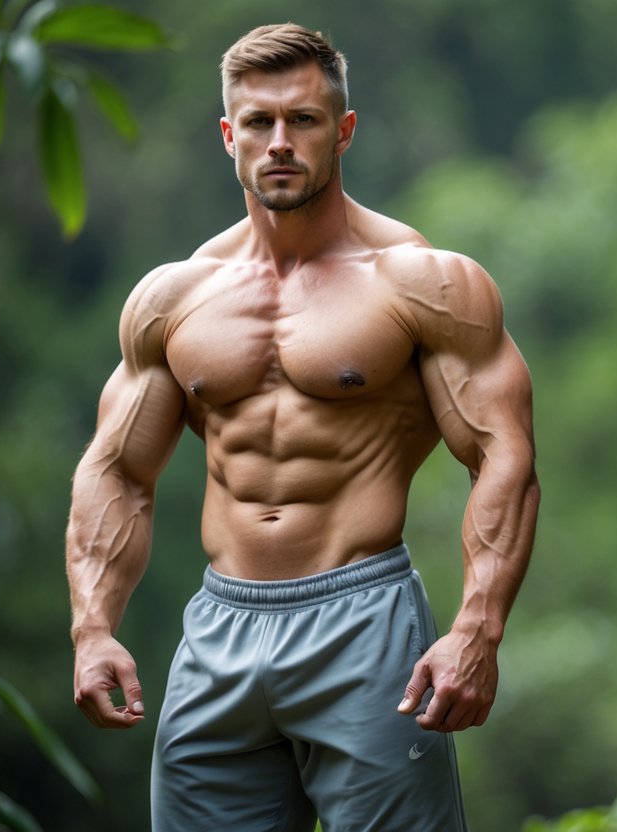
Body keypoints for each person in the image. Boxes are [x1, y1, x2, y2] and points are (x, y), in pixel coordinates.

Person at [65, 22, 539, 831]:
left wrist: (476, 630)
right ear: (229, 135)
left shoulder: (421, 283)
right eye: (258, 122)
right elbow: (117, 472)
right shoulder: (174, 298)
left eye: (304, 120)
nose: (279, 142)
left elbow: (503, 457)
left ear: (343, 130)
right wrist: (91, 629)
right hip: (219, 628)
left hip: (363, 620)